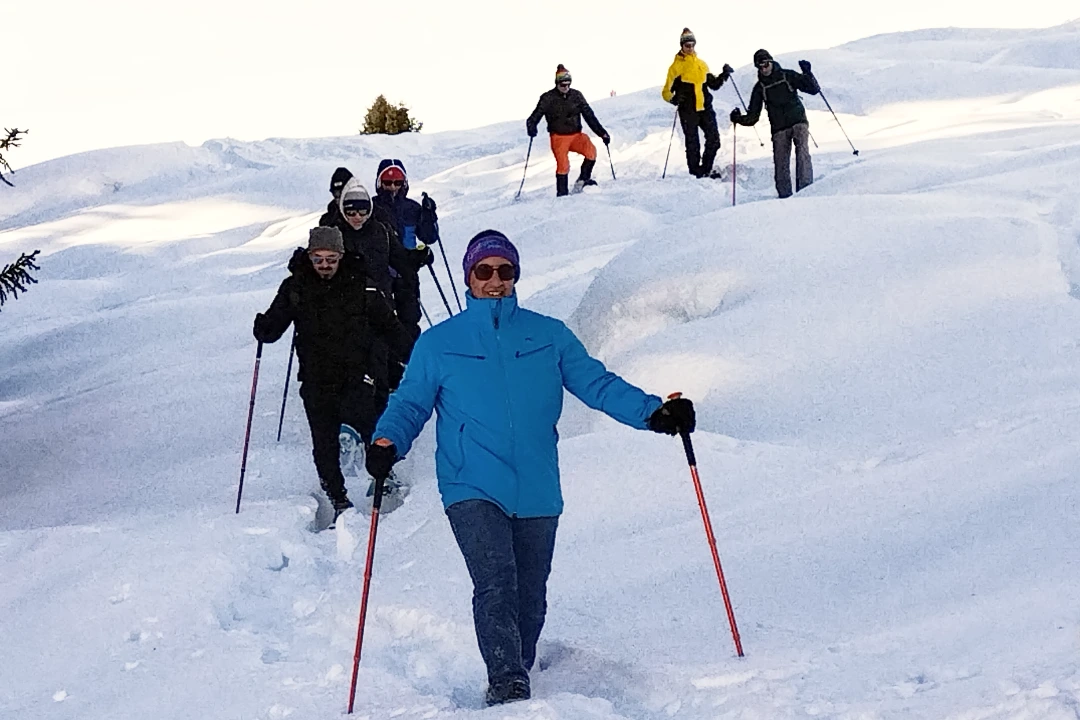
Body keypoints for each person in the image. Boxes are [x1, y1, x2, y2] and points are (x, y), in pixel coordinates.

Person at [364, 230, 697, 706]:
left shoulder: (548, 335)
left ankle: (518, 664)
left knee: (530, 595)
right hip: (470, 481)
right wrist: (387, 440)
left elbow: (597, 384)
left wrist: (654, 412)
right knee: (495, 578)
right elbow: (410, 402)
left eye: (505, 271)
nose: (495, 280)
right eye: (485, 271)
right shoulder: (440, 344)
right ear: (468, 278)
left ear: (516, 276)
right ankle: (506, 682)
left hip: (538, 484)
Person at [252, 227, 415, 521]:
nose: (324, 265)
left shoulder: (362, 286)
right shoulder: (296, 287)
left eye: (330, 258)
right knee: (323, 441)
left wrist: (415, 357)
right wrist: (265, 329)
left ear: (341, 256)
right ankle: (337, 497)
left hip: (357, 373)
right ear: (310, 256)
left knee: (370, 425)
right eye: (318, 259)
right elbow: (275, 325)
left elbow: (389, 327)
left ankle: (383, 476)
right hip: (316, 377)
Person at [730, 49, 820, 198]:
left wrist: (808, 74)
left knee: (802, 154)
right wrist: (738, 118)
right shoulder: (760, 88)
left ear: (771, 61)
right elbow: (753, 117)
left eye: (766, 64)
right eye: (760, 66)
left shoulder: (787, 75)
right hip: (779, 128)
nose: (764, 69)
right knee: (780, 163)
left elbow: (813, 89)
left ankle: (805, 192)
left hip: (798, 122)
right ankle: (785, 196)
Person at [372, 158, 437, 344]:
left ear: (405, 183)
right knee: (382, 320)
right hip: (381, 274)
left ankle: (411, 363)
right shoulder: (371, 207)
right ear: (379, 183)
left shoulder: (413, 208)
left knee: (409, 319)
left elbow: (429, 237)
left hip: (407, 273)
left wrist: (428, 215)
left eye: (398, 182)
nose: (393, 187)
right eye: (388, 182)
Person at [526, 65, 611, 197]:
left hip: (576, 135)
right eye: (562, 84)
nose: (565, 87)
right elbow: (535, 115)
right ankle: (562, 194)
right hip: (558, 137)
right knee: (563, 165)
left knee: (591, 152)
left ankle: (583, 180)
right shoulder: (548, 98)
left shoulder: (576, 96)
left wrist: (602, 133)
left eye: (568, 84)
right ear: (557, 83)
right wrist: (532, 126)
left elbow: (589, 116)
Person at [662, 28, 733, 179]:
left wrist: (724, 74)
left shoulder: (702, 64)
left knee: (714, 139)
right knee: (693, 143)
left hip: (705, 107)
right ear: (681, 46)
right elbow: (665, 92)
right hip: (688, 110)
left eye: (692, 44)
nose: (690, 48)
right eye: (687, 45)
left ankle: (706, 169)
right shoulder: (675, 68)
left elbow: (713, 84)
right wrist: (674, 99)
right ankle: (696, 173)